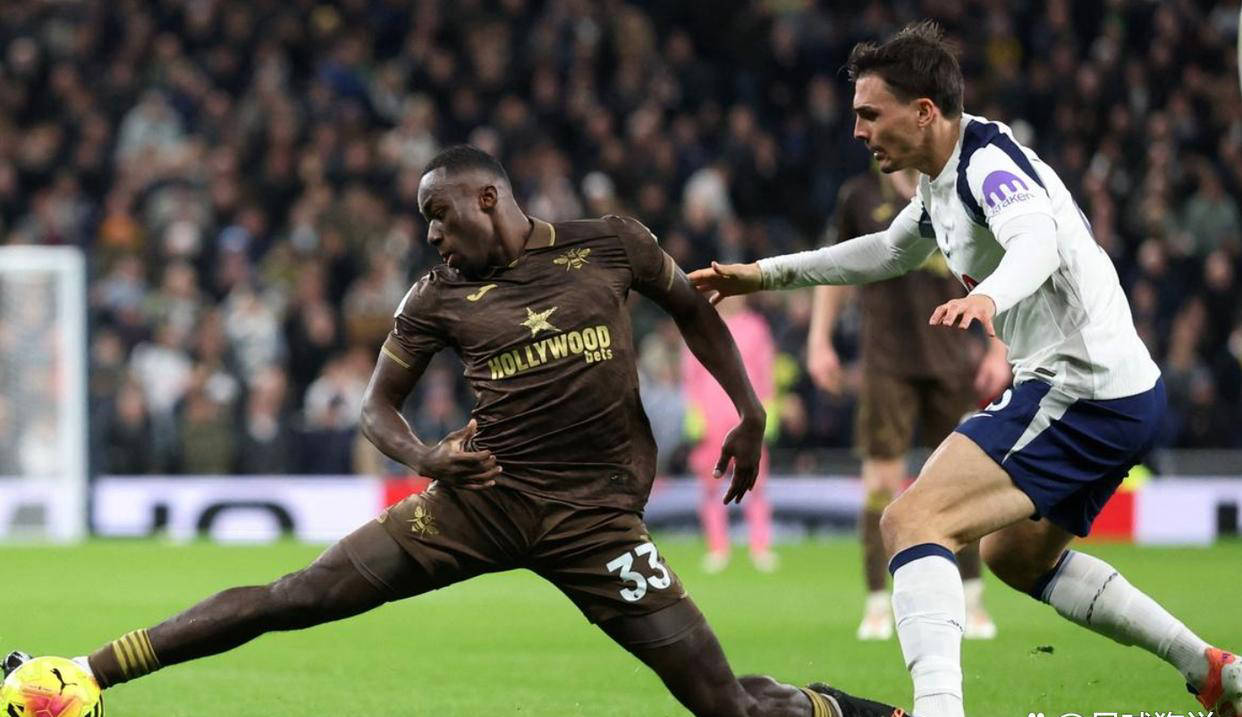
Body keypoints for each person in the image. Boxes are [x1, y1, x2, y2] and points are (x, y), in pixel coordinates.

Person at [4, 146, 909, 717]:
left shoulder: (610, 244)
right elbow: (376, 407)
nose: (433, 237)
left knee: (727, 706)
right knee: (295, 594)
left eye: (439, 217)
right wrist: (426, 455)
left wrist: (749, 409)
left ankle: (853, 711)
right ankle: (82, 672)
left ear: (486, 197)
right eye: (424, 224)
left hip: (596, 522)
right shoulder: (435, 297)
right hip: (476, 502)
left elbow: (694, 310)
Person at [689, 22, 1240, 717]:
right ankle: (1213, 672)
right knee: (1016, 556)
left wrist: (988, 296)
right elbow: (885, 251)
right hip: (1115, 390)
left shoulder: (986, 164)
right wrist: (764, 275)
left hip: (1079, 389)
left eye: (870, 113)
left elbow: (1036, 238)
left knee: (912, 520)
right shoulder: (939, 183)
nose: (858, 131)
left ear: (924, 111)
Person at [808, 164, 1008, 640]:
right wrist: (819, 340)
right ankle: (878, 604)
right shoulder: (858, 195)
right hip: (886, 363)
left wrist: (999, 350)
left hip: (954, 361)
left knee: (962, 483)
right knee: (881, 480)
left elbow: (997, 269)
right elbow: (836, 268)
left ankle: (972, 600)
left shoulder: (957, 188)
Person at [682, 295, 777, 574]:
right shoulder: (702, 324)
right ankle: (718, 547)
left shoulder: (757, 327)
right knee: (711, 484)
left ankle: (760, 546)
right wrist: (694, 411)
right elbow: (691, 373)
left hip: (746, 413)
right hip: (712, 414)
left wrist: (768, 406)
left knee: (755, 482)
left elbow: (765, 369)